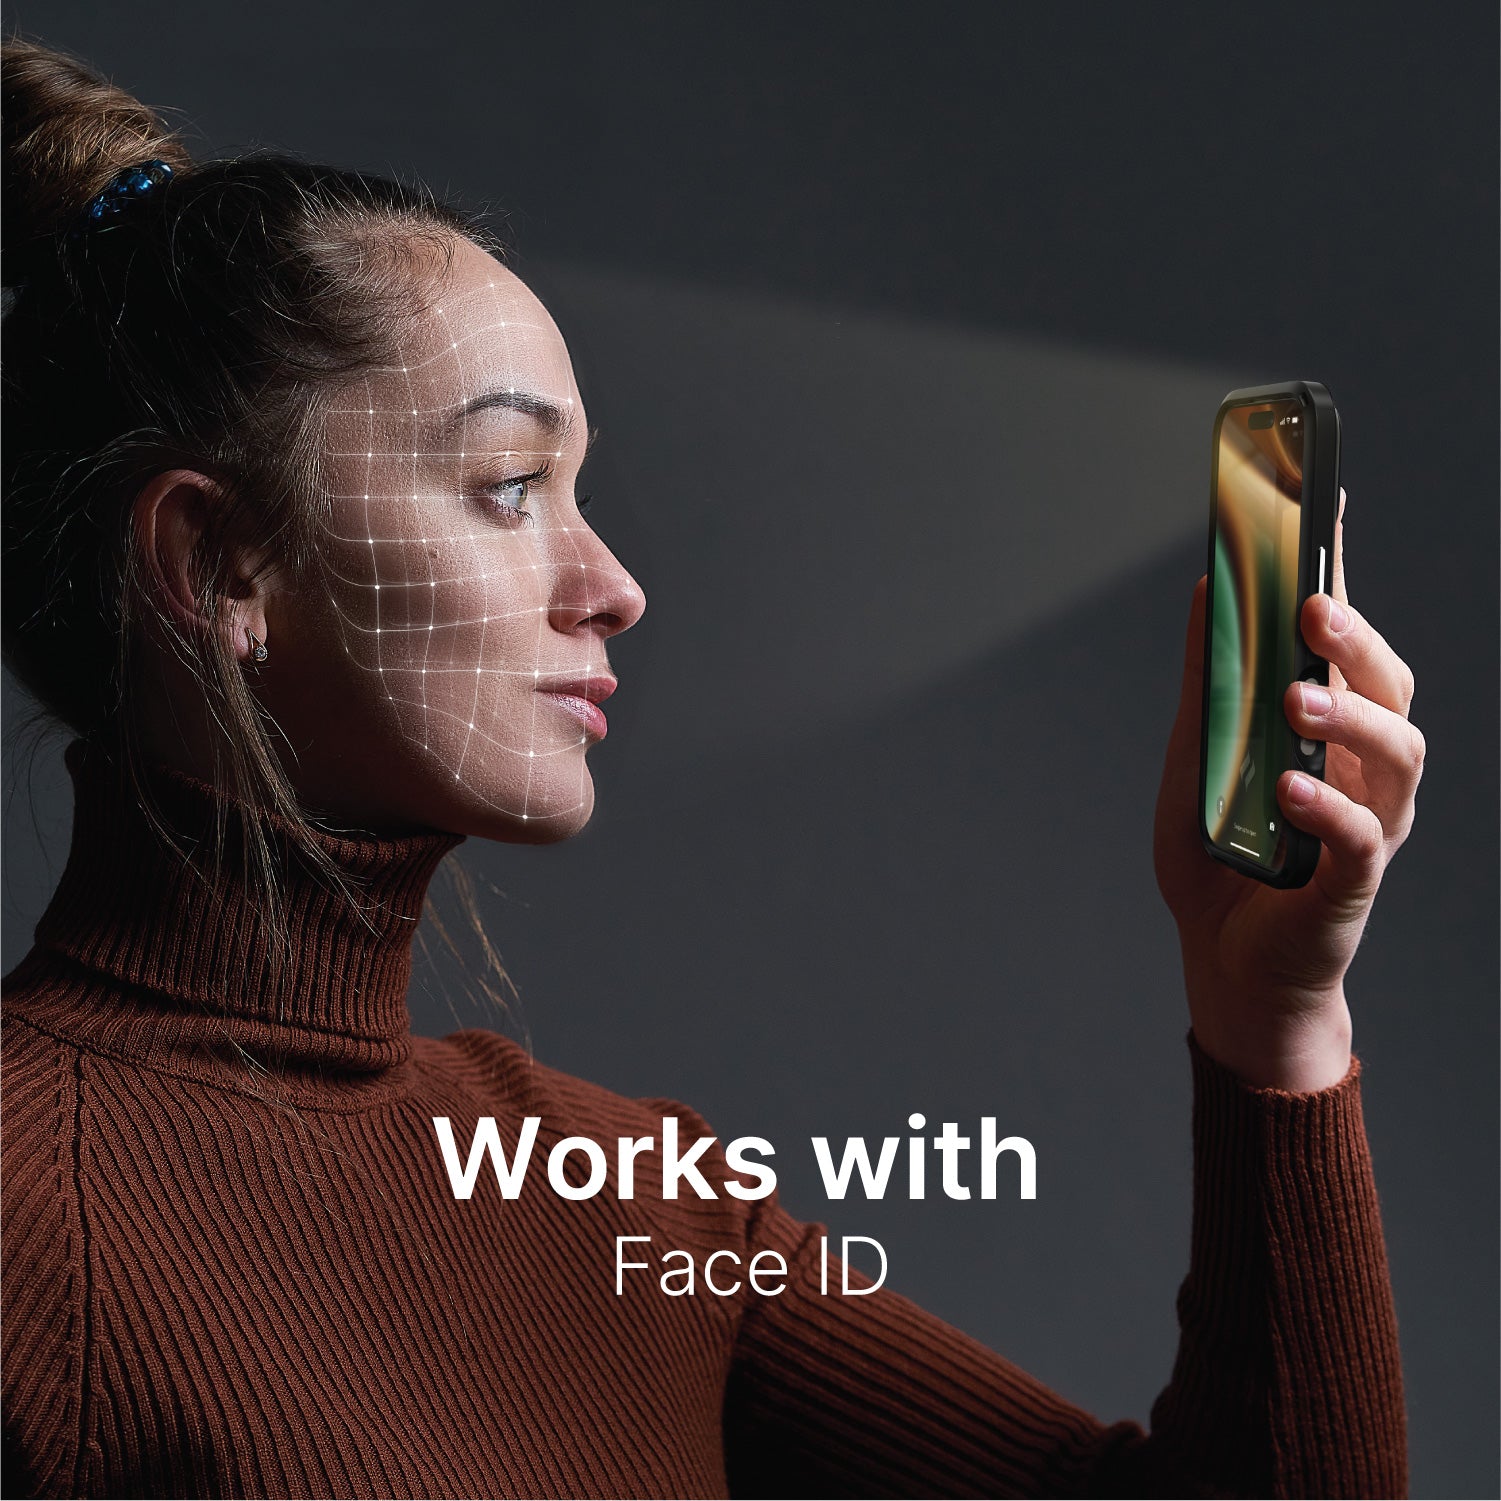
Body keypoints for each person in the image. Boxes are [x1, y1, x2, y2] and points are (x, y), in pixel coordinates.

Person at [1, 37, 1421, 1500]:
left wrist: (1272, 1023)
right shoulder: (27, 1226)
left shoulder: (634, 1202)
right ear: (216, 561)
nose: (612, 584)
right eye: (505, 488)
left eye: (582, 491)